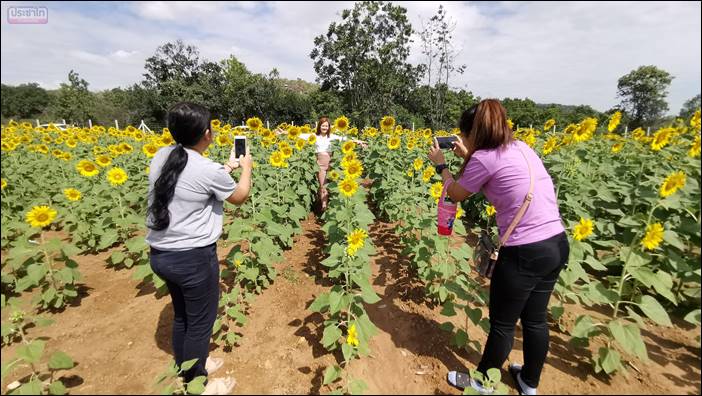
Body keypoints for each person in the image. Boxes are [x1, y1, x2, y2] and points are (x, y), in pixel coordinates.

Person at [428, 99, 569, 395]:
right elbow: (497, 171)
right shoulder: (520, 148)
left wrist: (441, 165)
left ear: (474, 134)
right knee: (535, 319)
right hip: (555, 243)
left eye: (464, 135)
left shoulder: (484, 159)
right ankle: (529, 383)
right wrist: (468, 155)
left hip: (524, 252)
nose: (463, 140)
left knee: (502, 325)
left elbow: (455, 193)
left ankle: (482, 383)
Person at [146, 102, 252, 395]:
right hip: (192, 259)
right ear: (206, 133)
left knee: (182, 316)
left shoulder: (163, 155)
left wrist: (226, 167)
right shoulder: (205, 169)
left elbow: (190, 177)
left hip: (161, 255)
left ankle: (190, 366)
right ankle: (198, 386)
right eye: (212, 127)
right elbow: (240, 195)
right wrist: (245, 169)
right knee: (200, 325)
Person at [277, 117, 366, 211]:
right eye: (323, 125)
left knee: (335, 185)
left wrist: (358, 141)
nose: (325, 127)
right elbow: (300, 135)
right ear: (319, 126)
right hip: (320, 165)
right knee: (323, 185)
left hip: (332, 163)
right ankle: (324, 206)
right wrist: (283, 132)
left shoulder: (332, 136)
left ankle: (333, 206)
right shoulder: (314, 136)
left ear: (329, 127)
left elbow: (345, 139)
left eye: (326, 126)